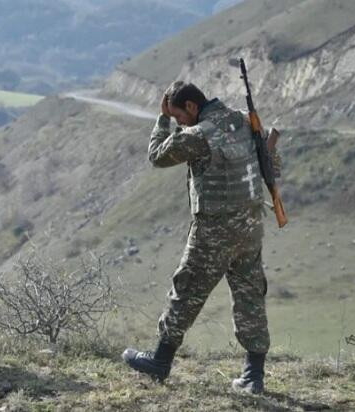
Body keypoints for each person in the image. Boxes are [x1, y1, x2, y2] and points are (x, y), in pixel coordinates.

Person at [122, 81, 270, 394]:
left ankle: (160, 362)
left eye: (179, 117)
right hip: (250, 226)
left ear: (191, 107)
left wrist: (162, 119)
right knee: (250, 296)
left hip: (215, 231)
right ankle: (253, 375)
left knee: (186, 291)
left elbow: (157, 156)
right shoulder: (242, 120)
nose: (179, 123)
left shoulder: (199, 134)